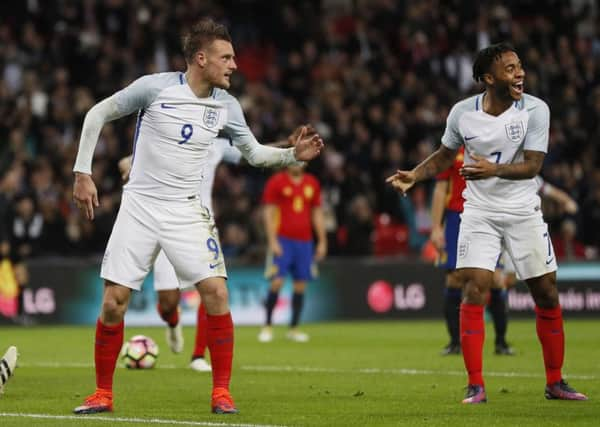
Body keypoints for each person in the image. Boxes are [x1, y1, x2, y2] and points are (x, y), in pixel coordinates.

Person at [72, 18, 323, 415]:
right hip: (139, 205)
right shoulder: (155, 87)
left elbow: (254, 154)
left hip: (187, 210)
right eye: (227, 57)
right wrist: (82, 173)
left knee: (217, 293)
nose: (234, 65)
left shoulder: (227, 106)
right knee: (113, 303)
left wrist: (292, 155)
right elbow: (96, 115)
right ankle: (102, 393)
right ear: (201, 59)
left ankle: (221, 392)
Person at [387, 42, 587, 403]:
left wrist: (494, 169)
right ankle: (476, 384)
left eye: (520, 66)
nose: (519, 73)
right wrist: (415, 175)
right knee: (474, 287)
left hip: (523, 210)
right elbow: (445, 155)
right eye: (510, 69)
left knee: (546, 291)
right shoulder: (462, 113)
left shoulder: (536, 110)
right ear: (488, 78)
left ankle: (555, 381)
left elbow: (533, 166)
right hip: (478, 212)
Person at [431, 147, 514, 356]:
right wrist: (436, 227)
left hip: (488, 215)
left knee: (495, 279)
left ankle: (501, 342)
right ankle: (454, 342)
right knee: (454, 280)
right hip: (455, 219)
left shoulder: (495, 143)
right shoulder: (451, 148)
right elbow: (441, 189)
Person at [258, 164, 327, 343]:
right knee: (277, 282)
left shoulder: (312, 183)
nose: (298, 163)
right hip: (283, 240)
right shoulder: (277, 182)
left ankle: (294, 328)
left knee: (300, 285)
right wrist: (272, 240)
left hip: (305, 243)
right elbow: (268, 212)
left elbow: (317, 213)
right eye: (295, 159)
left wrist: (322, 241)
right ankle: (267, 326)